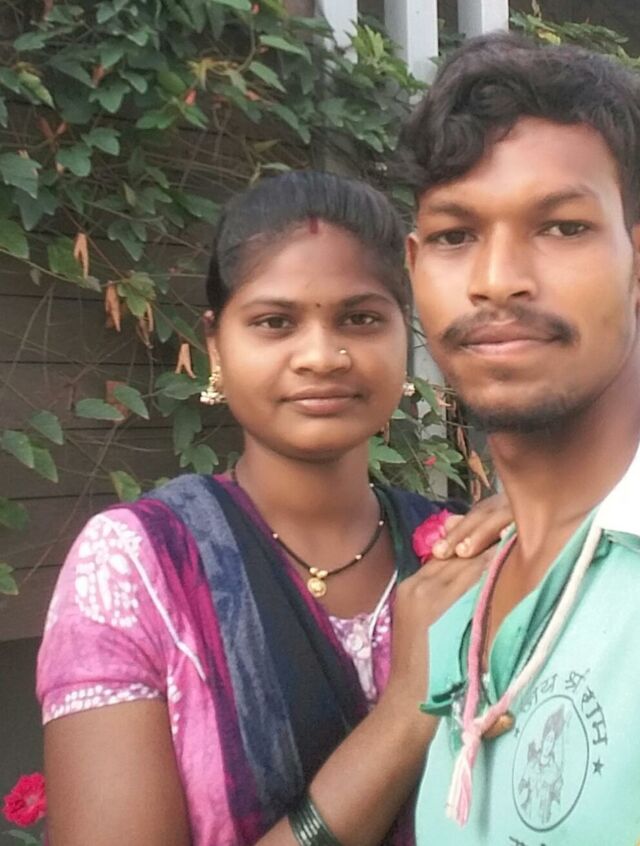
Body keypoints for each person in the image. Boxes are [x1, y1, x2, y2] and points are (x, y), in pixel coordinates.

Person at [36, 171, 510, 846]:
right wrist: (405, 714)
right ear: (215, 345)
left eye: (361, 318)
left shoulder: (466, 553)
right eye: (274, 322)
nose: (321, 356)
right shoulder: (137, 568)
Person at [402, 31, 640, 845]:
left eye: (563, 227)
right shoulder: (461, 600)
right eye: (454, 235)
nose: (498, 279)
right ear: (413, 268)